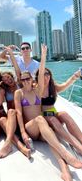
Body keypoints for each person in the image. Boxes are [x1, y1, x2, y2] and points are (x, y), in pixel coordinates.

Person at [14, 45, 82, 181]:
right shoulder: (19, 93)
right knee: (40, 119)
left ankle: (65, 171)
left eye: (28, 79)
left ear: (32, 80)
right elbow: (19, 113)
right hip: (31, 127)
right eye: (23, 79)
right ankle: (67, 155)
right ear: (20, 81)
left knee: (52, 140)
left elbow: (42, 73)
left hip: (42, 128)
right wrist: (22, 132)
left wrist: (43, 55)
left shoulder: (37, 91)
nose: (26, 81)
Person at [35, 67, 82, 155]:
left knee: (64, 114)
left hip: (53, 114)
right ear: (38, 77)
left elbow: (66, 85)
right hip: (43, 118)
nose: (46, 76)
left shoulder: (53, 87)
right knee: (52, 119)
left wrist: (76, 75)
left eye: (47, 74)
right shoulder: (36, 88)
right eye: (43, 74)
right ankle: (78, 147)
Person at [0, 70, 31, 159]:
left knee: (11, 111)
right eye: (5, 80)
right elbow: (0, 102)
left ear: (12, 76)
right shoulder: (5, 90)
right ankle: (22, 148)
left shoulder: (20, 84)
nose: (8, 80)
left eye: (8, 77)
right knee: (2, 119)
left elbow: (17, 69)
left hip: (23, 117)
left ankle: (7, 143)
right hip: (13, 120)